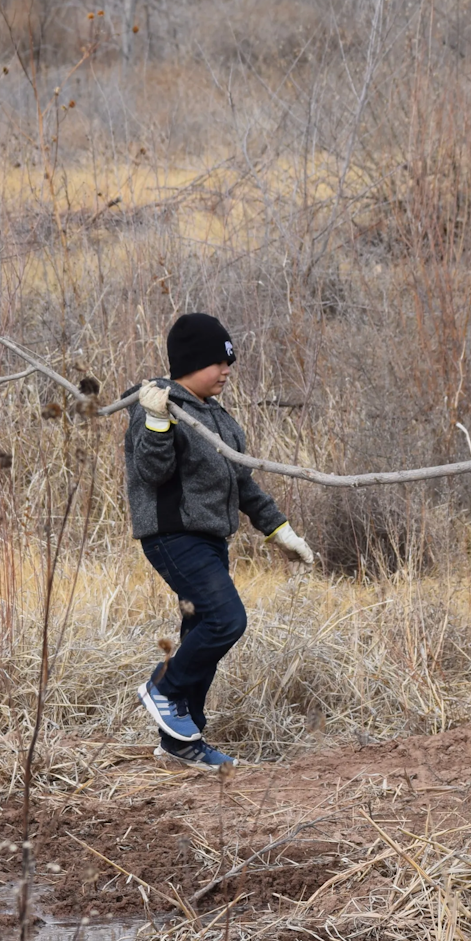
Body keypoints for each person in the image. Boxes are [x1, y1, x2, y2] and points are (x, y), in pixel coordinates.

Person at [125, 313, 316, 772]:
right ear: (192, 363)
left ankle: (181, 741)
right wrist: (155, 421)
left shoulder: (218, 418)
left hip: (210, 539)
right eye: (219, 362)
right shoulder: (158, 404)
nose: (228, 370)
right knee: (226, 619)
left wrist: (279, 531)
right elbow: (151, 473)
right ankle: (163, 691)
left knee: (199, 634)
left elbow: (241, 482)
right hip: (173, 535)